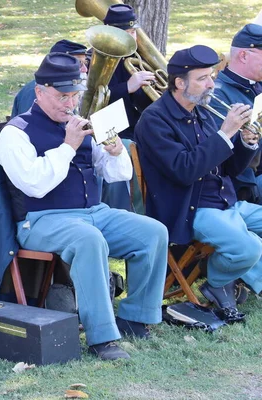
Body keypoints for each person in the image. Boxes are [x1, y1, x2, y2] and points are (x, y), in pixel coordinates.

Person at [0, 53, 168, 361]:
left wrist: (115, 152)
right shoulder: (15, 132)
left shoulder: (84, 121)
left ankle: (134, 316)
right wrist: (68, 146)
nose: (70, 104)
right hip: (41, 220)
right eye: (62, 96)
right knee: (88, 239)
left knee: (152, 232)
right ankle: (102, 336)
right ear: (39, 92)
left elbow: (118, 175)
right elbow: (34, 184)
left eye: (74, 96)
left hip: (92, 212)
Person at [134, 44, 262, 317]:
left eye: (212, 76)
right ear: (180, 83)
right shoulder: (154, 120)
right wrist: (225, 133)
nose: (211, 84)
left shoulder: (202, 111)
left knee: (250, 240)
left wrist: (244, 143)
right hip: (188, 209)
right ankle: (218, 282)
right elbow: (184, 171)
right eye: (203, 79)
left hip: (223, 201)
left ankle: (233, 281)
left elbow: (229, 169)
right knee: (249, 247)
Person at [100, 4, 155, 212]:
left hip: (139, 130)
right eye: (127, 33)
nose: (132, 38)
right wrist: (127, 88)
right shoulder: (96, 58)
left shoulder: (138, 58)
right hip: (113, 134)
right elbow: (93, 102)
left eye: (134, 32)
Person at [211, 24, 262, 204]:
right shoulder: (219, 95)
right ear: (244, 55)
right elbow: (227, 159)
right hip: (244, 184)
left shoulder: (256, 85)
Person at [11, 40, 89, 118]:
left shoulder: (68, 89)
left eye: (85, 63)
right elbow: (30, 126)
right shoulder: (37, 91)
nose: (85, 69)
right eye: (79, 63)